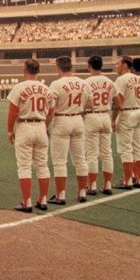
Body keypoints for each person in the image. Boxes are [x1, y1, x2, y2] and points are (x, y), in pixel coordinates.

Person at [7, 58, 55, 212]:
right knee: (42, 165)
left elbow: (12, 111)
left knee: (24, 166)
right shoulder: (46, 88)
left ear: (24, 70)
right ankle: (43, 199)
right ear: (38, 71)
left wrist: (10, 130)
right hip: (40, 126)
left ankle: (27, 202)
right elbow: (52, 111)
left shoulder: (20, 87)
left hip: (25, 126)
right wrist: (44, 124)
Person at [48, 56, 89, 204]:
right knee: (80, 159)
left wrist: (46, 124)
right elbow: (89, 104)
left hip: (62, 119)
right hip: (78, 118)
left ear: (58, 68)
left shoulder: (56, 84)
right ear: (71, 67)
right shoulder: (83, 83)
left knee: (60, 160)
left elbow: (51, 107)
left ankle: (61, 195)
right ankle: (82, 192)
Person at [112, 56, 140, 190]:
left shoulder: (121, 79)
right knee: (137, 147)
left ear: (125, 65)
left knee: (125, 149)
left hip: (127, 113)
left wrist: (113, 119)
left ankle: (127, 181)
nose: (116, 66)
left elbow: (119, 101)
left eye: (118, 64)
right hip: (139, 112)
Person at [83, 55, 117, 195]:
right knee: (107, 153)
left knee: (92, 154)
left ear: (89, 66)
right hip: (106, 115)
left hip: (92, 116)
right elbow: (118, 103)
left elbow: (85, 103)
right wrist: (114, 120)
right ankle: (108, 184)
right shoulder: (110, 82)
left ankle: (92, 186)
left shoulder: (86, 82)